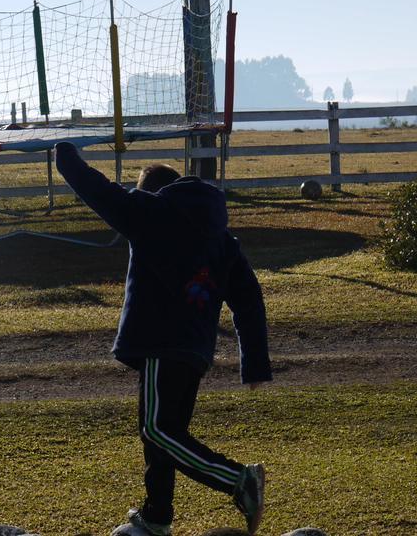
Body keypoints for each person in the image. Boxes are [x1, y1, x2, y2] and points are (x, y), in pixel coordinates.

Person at [54, 142, 272, 536]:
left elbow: (99, 190)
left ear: (152, 192)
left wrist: (65, 156)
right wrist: (254, 362)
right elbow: (249, 301)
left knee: (156, 431)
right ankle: (156, 518)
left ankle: (238, 480)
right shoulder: (223, 240)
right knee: (164, 435)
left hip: (159, 342)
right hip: (194, 352)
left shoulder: (151, 213)